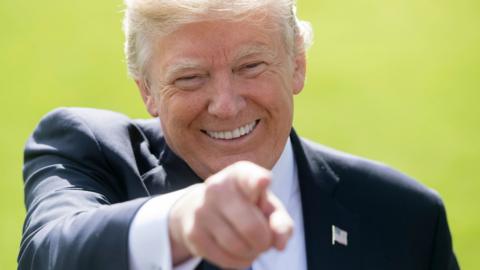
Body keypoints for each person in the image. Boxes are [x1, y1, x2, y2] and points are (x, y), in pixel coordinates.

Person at [18, 0, 460, 269]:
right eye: (190, 78)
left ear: (297, 65)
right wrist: (180, 223)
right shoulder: (85, 152)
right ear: (147, 90)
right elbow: (47, 254)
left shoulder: (407, 220)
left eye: (250, 66)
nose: (226, 105)